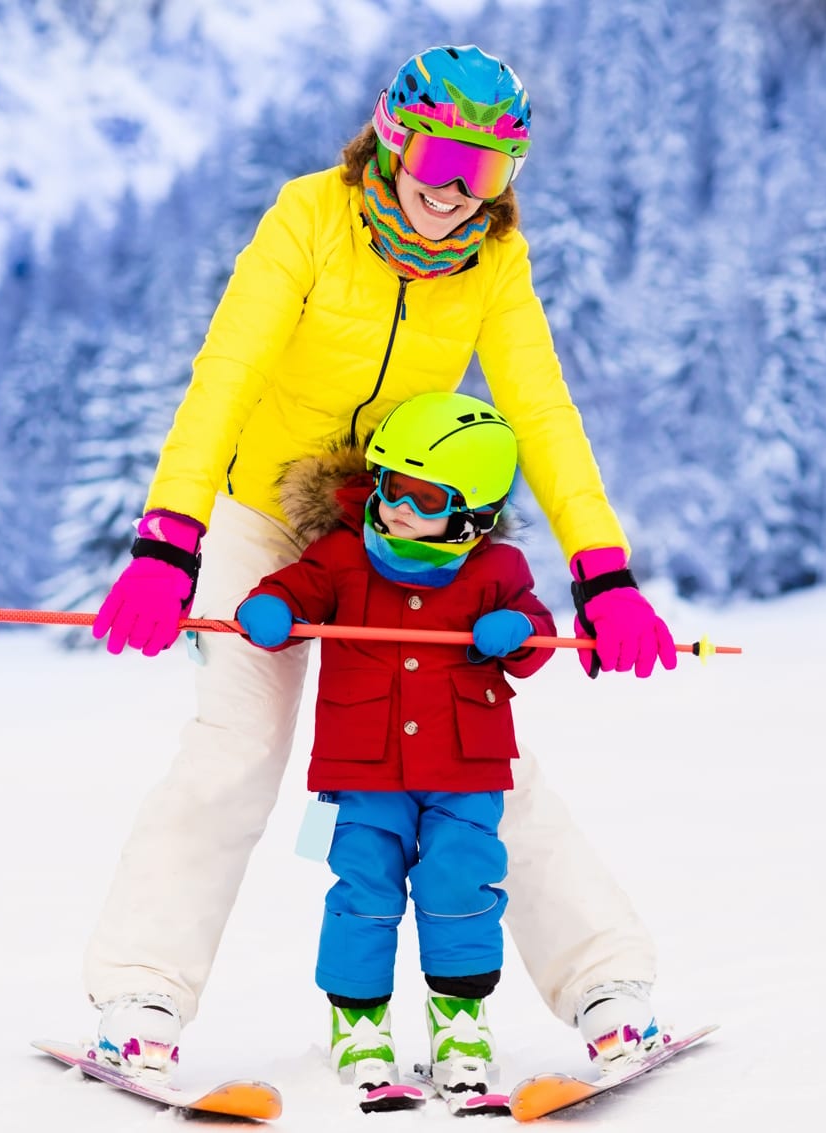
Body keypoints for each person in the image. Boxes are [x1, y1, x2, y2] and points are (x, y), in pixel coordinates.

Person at [85, 43, 677, 1079]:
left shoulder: (492, 260)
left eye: (485, 171)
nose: (455, 192)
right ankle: (141, 996)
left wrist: (604, 571)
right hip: (262, 516)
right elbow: (225, 373)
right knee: (235, 750)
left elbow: (539, 407)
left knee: (480, 762)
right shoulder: (309, 217)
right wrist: (165, 539)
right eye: (442, 157)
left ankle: (606, 987)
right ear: (394, 135)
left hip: (401, 528)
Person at [234, 391, 555, 1098]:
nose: (398, 507)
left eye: (424, 496)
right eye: (389, 485)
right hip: (363, 768)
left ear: (473, 512)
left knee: (460, 888)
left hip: (465, 769)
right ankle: (358, 1023)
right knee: (363, 891)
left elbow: (536, 635)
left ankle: (461, 1020)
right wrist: (273, 606)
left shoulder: (498, 572)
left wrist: (521, 633)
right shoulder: (344, 554)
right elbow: (296, 588)